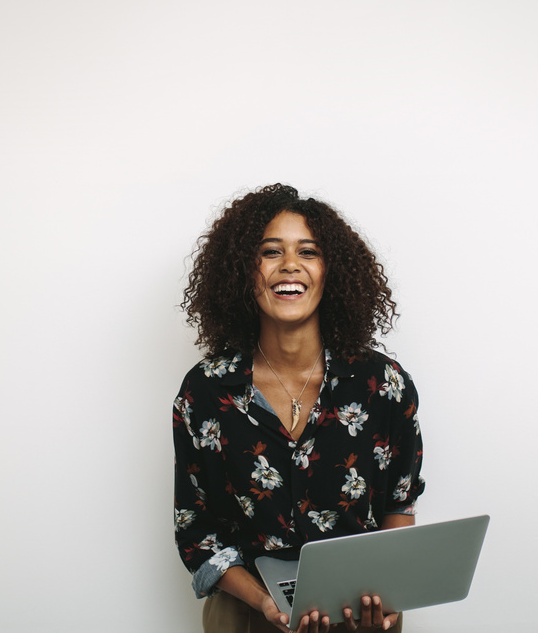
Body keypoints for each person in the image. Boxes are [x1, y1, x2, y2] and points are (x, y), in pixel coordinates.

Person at [174, 184, 425, 633]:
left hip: (358, 615)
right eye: (271, 251)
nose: (290, 265)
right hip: (246, 615)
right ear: (244, 272)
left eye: (308, 251)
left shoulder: (384, 385)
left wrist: (391, 591)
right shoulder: (205, 391)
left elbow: (399, 505)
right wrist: (265, 602)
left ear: (332, 272)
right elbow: (197, 531)